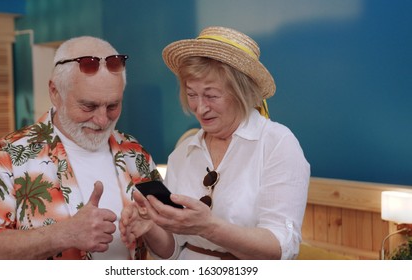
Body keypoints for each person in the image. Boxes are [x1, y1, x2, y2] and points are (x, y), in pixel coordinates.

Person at [120, 26, 310, 260]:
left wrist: (208, 227)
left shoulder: (277, 144)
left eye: (211, 95)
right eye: (191, 95)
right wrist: (150, 228)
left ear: (242, 93)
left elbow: (281, 248)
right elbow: (172, 251)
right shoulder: (183, 153)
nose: (200, 108)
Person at [0, 36, 161, 260]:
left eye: (113, 105)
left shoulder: (135, 153)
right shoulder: (8, 155)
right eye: (88, 106)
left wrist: (153, 228)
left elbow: (168, 247)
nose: (103, 120)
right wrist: (64, 234)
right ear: (55, 92)